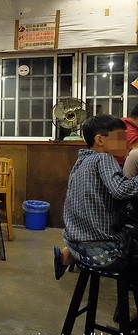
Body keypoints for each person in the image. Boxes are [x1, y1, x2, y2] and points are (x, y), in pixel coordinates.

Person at [54, 114, 138, 280]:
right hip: (105, 252)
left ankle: (69, 253)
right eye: (121, 138)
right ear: (100, 140)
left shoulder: (81, 161)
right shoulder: (105, 159)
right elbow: (120, 190)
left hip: (77, 243)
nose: (127, 143)